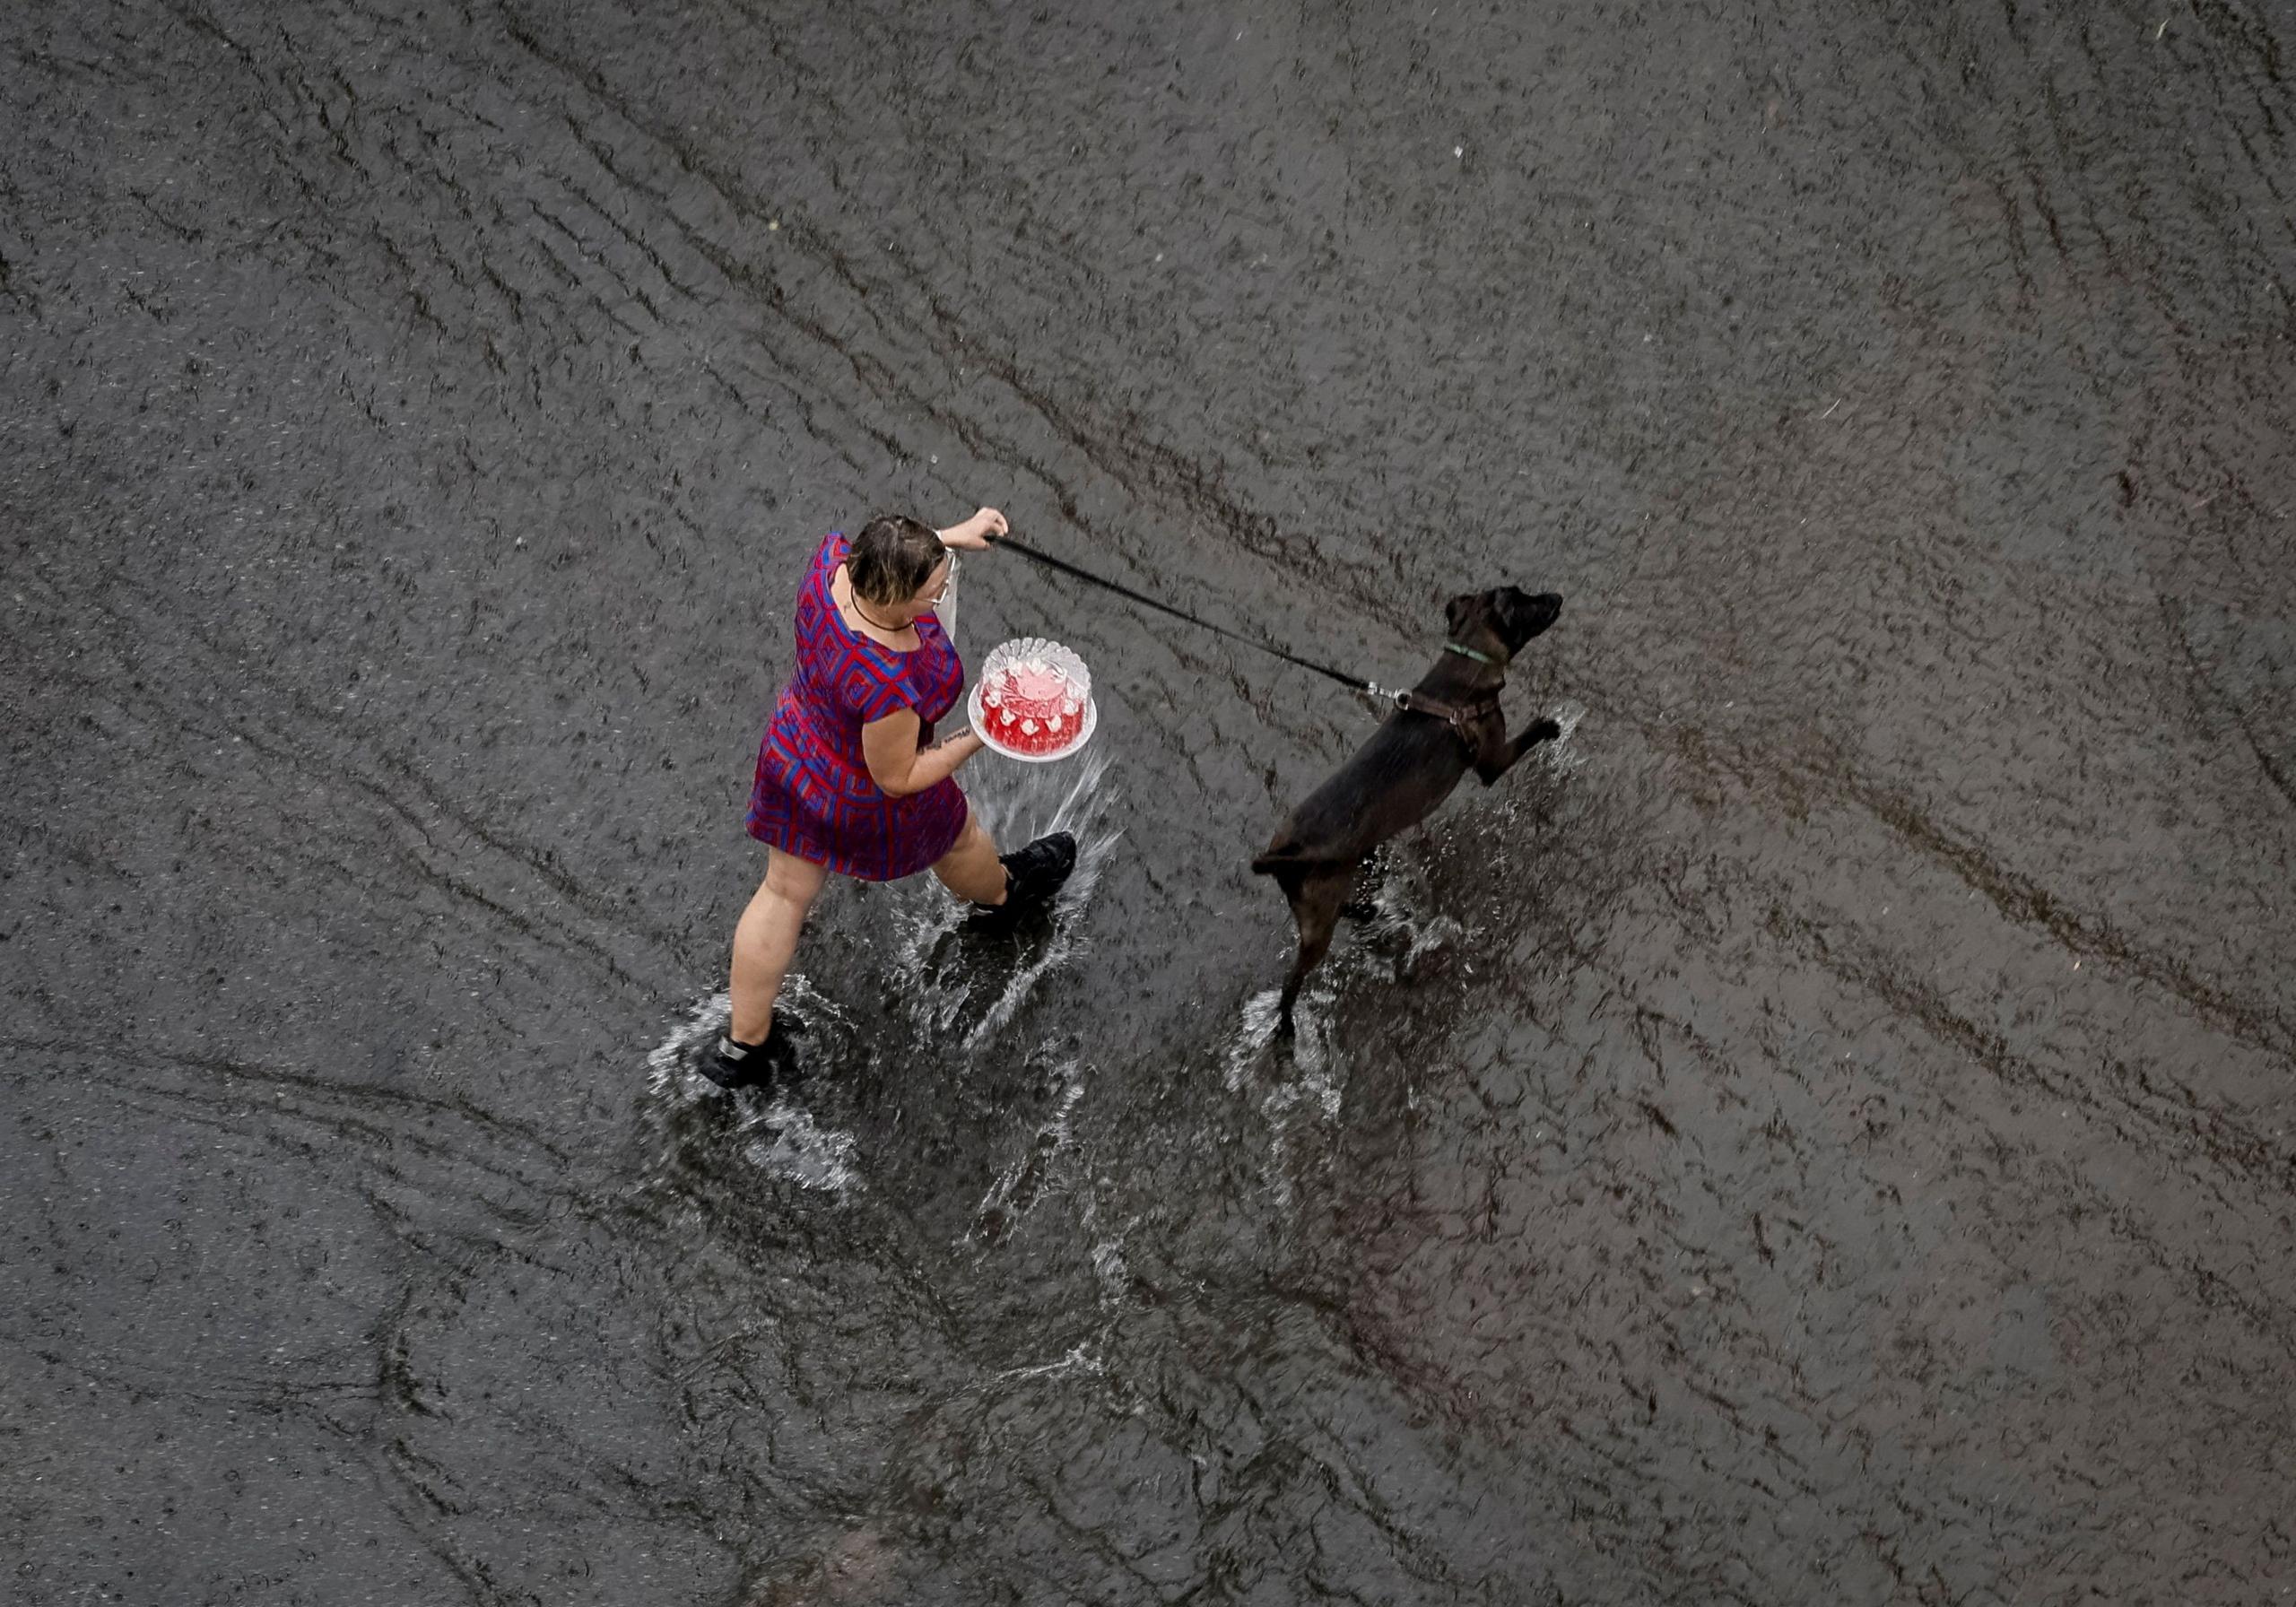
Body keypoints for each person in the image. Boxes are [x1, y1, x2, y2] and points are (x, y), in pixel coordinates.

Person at [705, 507, 1077, 1089]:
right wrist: (983, 731)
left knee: (781, 891)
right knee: (957, 835)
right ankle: (1005, 898)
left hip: (798, 752)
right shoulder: (887, 681)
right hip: (861, 794)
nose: (941, 595)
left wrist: (949, 538)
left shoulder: (834, 566)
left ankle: (742, 1049)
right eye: (933, 591)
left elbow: (884, 557)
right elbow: (899, 777)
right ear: (900, 598)